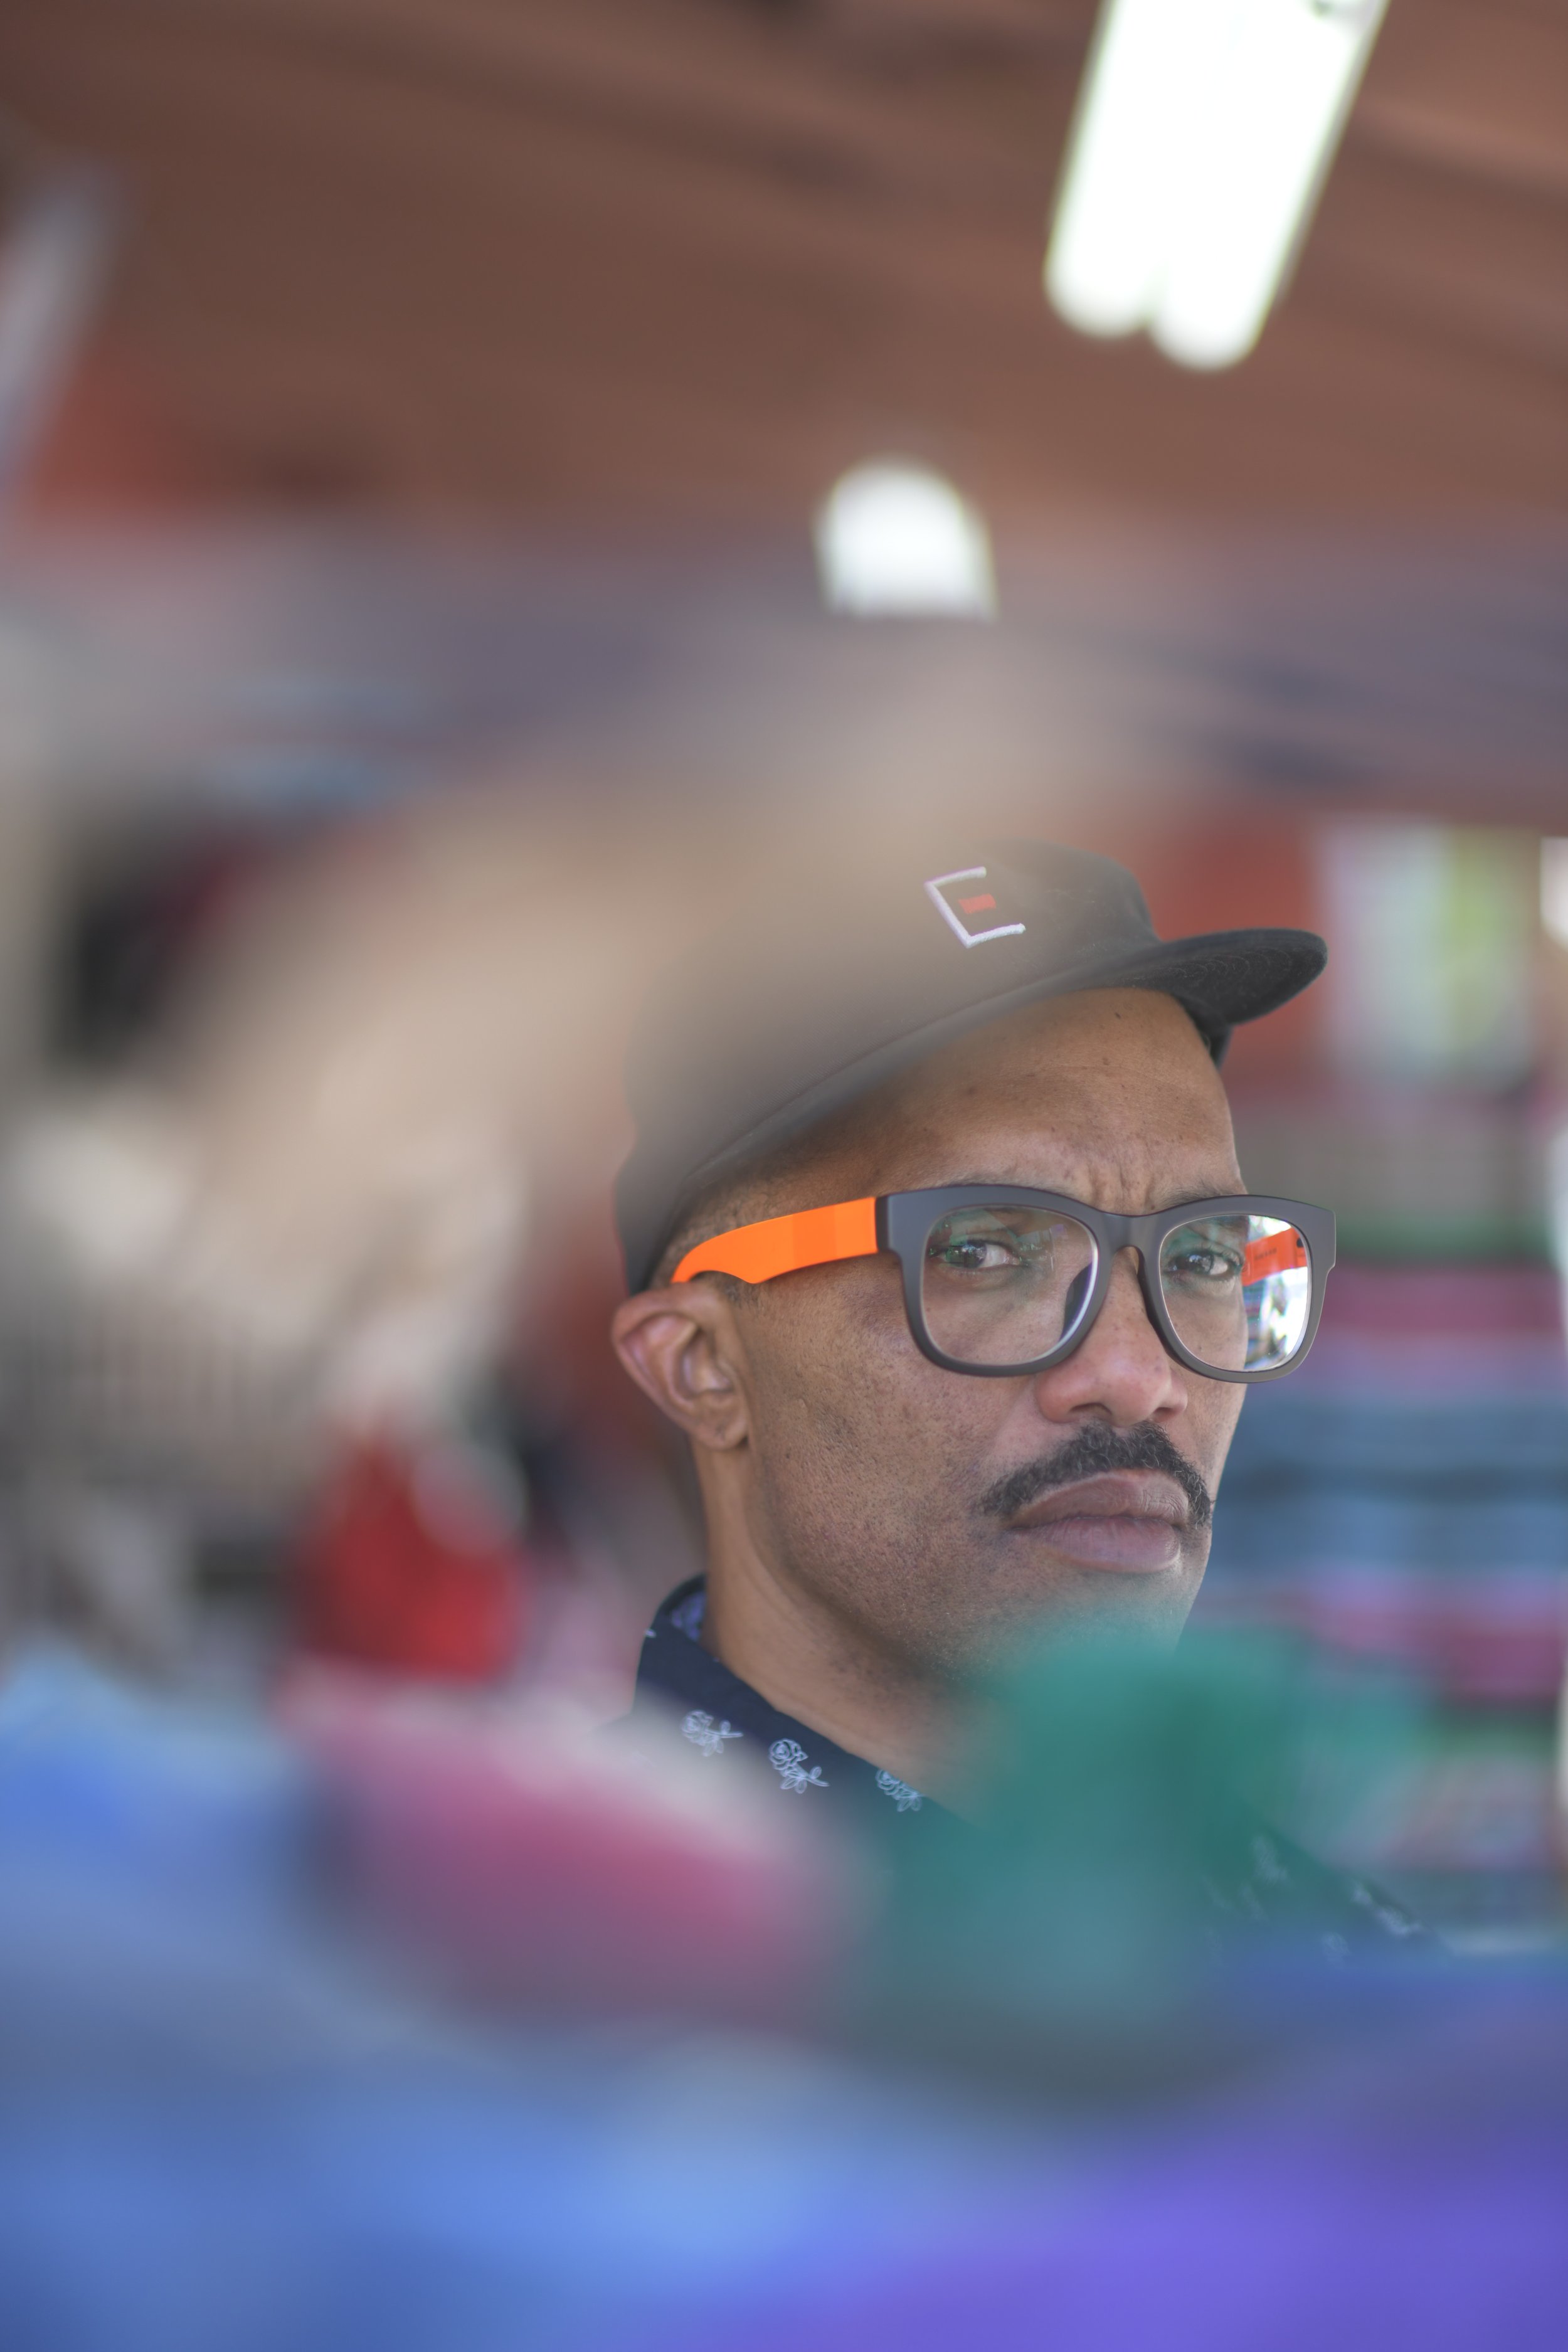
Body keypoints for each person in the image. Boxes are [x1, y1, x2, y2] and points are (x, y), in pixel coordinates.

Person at [608, 837, 1416, 1945]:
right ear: (703, 1366)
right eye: (985, 1252)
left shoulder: (1329, 1946)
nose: (1140, 1381)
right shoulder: (543, 1988)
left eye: (1207, 1258)